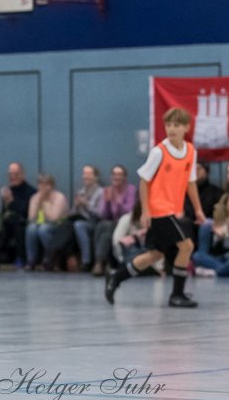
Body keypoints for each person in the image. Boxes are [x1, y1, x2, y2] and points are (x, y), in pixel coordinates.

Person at [105, 107, 205, 308]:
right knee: (187, 246)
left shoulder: (191, 152)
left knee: (156, 255)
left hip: (173, 210)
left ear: (186, 127)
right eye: (168, 125)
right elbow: (144, 181)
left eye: (176, 125)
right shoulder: (159, 151)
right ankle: (177, 295)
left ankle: (117, 276)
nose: (171, 129)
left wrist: (199, 209)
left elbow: (190, 182)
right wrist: (146, 211)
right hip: (160, 210)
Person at [92, 164, 135, 276]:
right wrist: (107, 201)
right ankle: (100, 262)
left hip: (126, 223)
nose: (117, 177)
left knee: (105, 226)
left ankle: (99, 262)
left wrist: (117, 201)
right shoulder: (107, 190)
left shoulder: (131, 190)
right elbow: (104, 214)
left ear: (125, 177)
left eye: (120, 174)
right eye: (114, 174)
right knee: (104, 228)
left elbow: (128, 211)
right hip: (111, 223)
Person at [0, 162, 35, 268]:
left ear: (22, 174)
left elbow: (25, 211)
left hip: (24, 221)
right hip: (9, 221)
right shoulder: (8, 190)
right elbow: (4, 212)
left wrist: (11, 201)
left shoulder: (30, 191)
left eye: (16, 174)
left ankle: (21, 257)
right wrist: (6, 203)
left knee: (18, 226)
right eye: (10, 174)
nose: (13, 177)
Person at [25, 173, 70, 270]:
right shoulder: (34, 198)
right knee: (31, 229)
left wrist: (45, 203)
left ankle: (51, 258)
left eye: (46, 184)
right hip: (40, 223)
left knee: (43, 229)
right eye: (40, 184)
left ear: (52, 185)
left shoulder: (59, 197)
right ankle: (31, 261)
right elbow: (31, 217)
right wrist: (39, 202)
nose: (43, 187)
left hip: (57, 226)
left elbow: (54, 217)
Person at [69, 164, 103, 271]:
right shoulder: (81, 192)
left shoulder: (101, 192)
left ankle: (86, 261)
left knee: (78, 225)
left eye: (88, 174)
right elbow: (73, 212)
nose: (85, 176)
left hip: (95, 222)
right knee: (69, 225)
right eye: (84, 173)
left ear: (95, 177)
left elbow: (101, 213)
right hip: (80, 219)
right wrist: (77, 205)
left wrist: (86, 204)